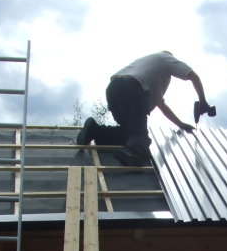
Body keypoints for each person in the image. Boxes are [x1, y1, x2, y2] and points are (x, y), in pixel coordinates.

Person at [76, 51, 211, 167]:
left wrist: (181, 124)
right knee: (141, 138)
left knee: (129, 134)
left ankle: (95, 130)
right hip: (132, 89)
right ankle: (133, 153)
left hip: (113, 89)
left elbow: (162, 106)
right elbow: (193, 76)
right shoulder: (165, 58)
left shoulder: (152, 73)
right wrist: (203, 102)